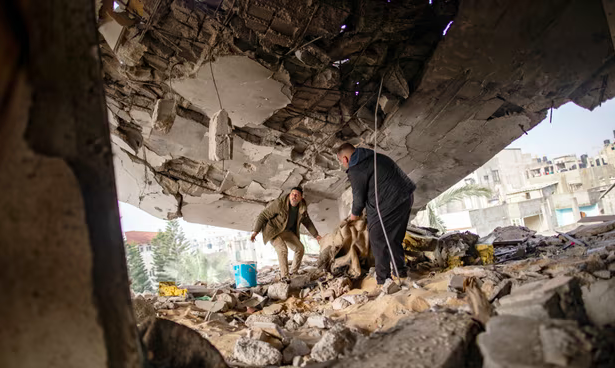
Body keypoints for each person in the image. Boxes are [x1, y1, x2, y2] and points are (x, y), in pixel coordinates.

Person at [336, 143, 416, 286]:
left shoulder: (356, 168)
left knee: (378, 240)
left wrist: (353, 217)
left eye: (341, 162)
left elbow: (358, 199)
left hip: (389, 203)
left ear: (345, 159)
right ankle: (401, 272)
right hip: (406, 196)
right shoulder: (375, 156)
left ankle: (383, 281)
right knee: (394, 238)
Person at [251, 187, 322, 281]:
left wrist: (316, 235)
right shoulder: (280, 203)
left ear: (301, 198)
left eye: (297, 195)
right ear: (289, 195)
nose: (294, 196)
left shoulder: (302, 207)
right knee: (282, 249)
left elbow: (307, 222)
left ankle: (293, 272)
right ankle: (284, 276)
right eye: (292, 194)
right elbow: (263, 215)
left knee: (300, 248)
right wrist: (255, 232)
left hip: (287, 231)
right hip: (273, 231)